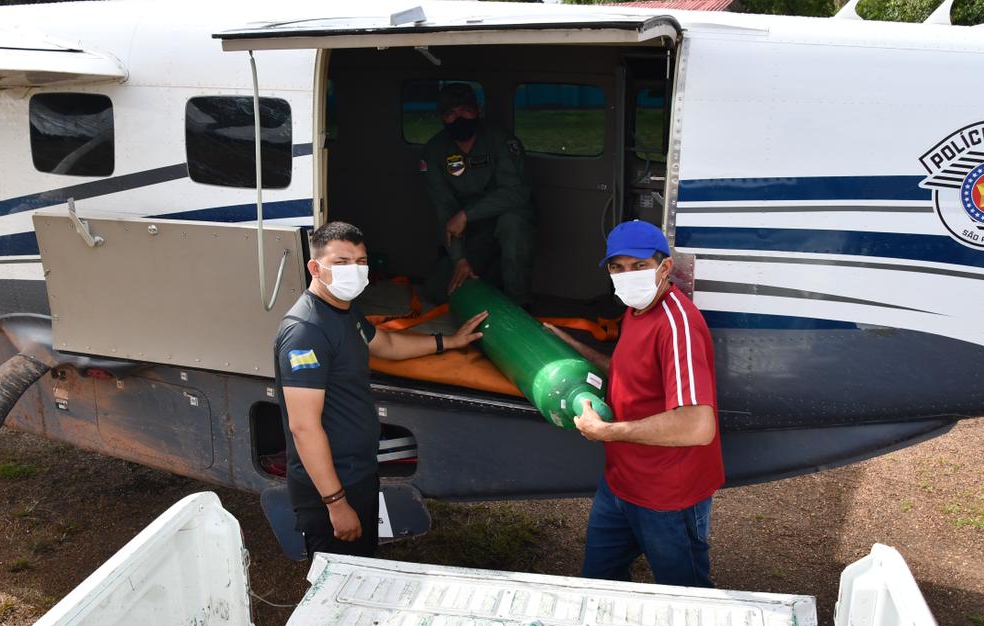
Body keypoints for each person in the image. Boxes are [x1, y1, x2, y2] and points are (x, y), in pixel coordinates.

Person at [274, 221, 488, 559]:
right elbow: (304, 427)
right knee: (336, 582)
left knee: (362, 564)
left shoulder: (343, 312)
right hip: (332, 485)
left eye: (360, 262)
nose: (354, 271)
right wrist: (336, 503)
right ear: (315, 267)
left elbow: (385, 342)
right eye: (341, 262)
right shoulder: (306, 332)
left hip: (358, 471)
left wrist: (449, 341)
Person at [546, 220, 724, 588]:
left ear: (664, 268)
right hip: (620, 484)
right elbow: (627, 372)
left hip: (667, 496)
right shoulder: (636, 310)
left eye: (638, 266)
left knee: (685, 597)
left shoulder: (677, 325)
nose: (627, 276)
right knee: (598, 583)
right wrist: (571, 347)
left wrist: (609, 431)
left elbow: (698, 425)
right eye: (617, 268)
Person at [419, 82, 535, 306]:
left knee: (513, 223)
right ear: (442, 118)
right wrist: (459, 259)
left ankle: (520, 303)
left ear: (478, 110)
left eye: (465, 109)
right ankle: (492, 280)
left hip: (507, 220)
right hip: (473, 233)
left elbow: (517, 194)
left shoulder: (500, 140)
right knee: (437, 290)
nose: (459, 117)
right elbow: (444, 211)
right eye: (450, 113)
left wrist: (466, 215)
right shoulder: (434, 151)